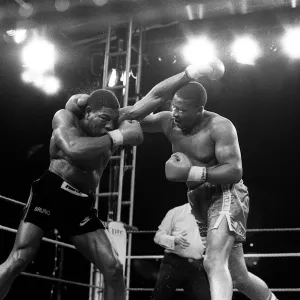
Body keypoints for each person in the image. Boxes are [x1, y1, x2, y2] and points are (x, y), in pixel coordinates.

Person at [0, 60, 223, 300]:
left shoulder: (115, 120)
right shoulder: (65, 118)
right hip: (51, 191)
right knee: (19, 258)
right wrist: (119, 136)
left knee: (114, 269)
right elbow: (74, 148)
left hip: (80, 204)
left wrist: (190, 73)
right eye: (104, 118)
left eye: (112, 120)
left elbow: (155, 97)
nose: (109, 124)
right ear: (87, 112)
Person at [138, 79, 278, 300]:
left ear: (199, 109)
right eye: (173, 107)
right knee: (239, 278)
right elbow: (136, 118)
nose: (175, 113)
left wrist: (192, 173)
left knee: (213, 261)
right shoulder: (168, 122)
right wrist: (157, 97)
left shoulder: (219, 126)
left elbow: (235, 170)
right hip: (199, 200)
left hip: (225, 194)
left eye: (182, 109)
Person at [151, 203, 210, 300]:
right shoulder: (176, 212)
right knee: (159, 297)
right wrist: (173, 239)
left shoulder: (211, 215)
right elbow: (158, 237)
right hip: (173, 263)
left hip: (195, 265)